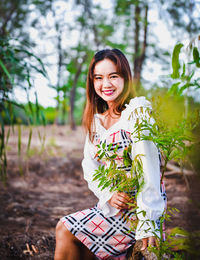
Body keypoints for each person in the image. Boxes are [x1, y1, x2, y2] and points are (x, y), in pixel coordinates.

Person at [54, 49, 166, 260]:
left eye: (113, 76)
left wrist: (148, 221)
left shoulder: (137, 112)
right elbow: (90, 164)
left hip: (137, 209)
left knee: (65, 228)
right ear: (92, 82)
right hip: (113, 205)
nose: (106, 84)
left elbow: (149, 167)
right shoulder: (96, 120)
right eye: (99, 77)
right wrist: (108, 193)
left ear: (125, 78)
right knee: (80, 243)